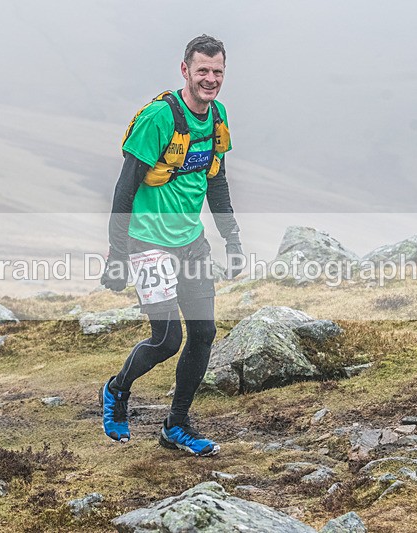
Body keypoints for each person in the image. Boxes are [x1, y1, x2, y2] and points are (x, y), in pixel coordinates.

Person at [99, 34, 243, 457]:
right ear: (185, 70)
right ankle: (116, 390)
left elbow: (216, 183)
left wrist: (232, 239)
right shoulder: (158, 119)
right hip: (147, 244)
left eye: (217, 71)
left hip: (191, 244)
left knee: (204, 333)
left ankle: (175, 426)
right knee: (166, 340)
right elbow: (123, 192)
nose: (210, 79)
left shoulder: (217, 118)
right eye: (202, 70)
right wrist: (118, 256)